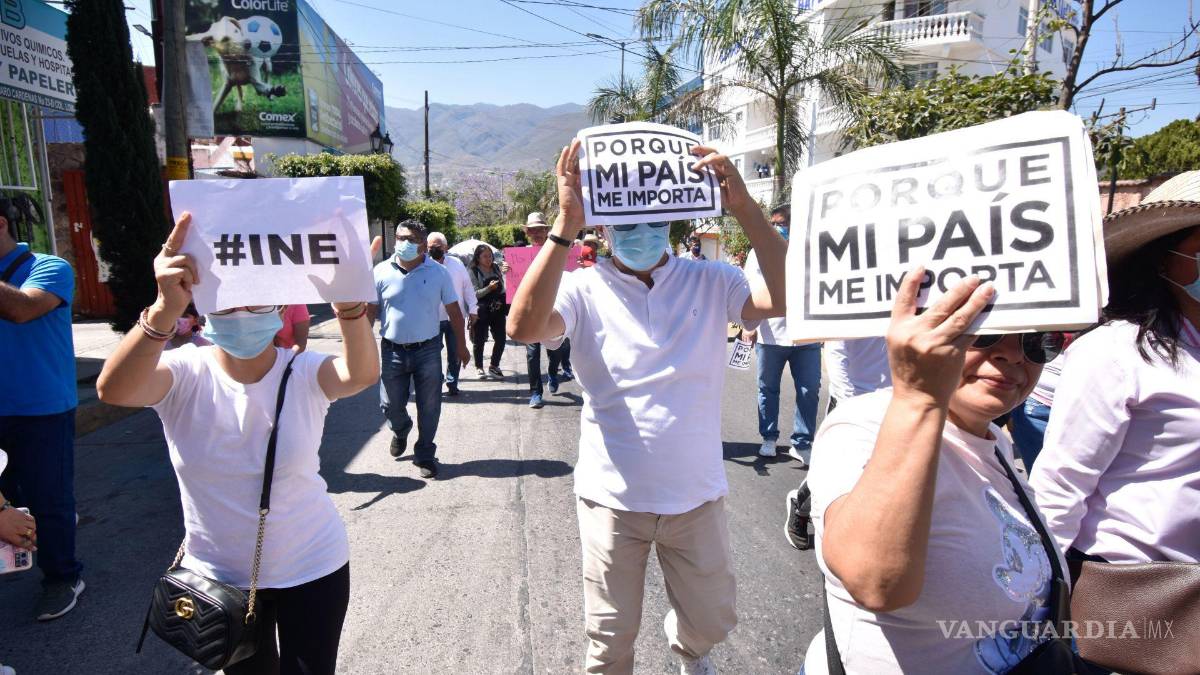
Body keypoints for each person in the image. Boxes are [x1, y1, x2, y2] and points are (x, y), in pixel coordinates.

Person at [508, 139, 788, 675]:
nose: (640, 232)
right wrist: (566, 224)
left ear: (674, 221)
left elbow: (787, 296)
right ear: (606, 229)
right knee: (609, 642)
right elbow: (523, 328)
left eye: (653, 221)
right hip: (612, 500)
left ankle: (688, 651)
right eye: (627, 225)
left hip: (697, 498)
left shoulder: (714, 280)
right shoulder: (581, 287)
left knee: (712, 622)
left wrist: (745, 209)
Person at [96, 212, 381, 674]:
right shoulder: (185, 373)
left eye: (257, 302)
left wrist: (349, 305)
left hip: (313, 567)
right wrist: (164, 307)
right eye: (227, 304)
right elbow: (116, 390)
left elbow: (361, 374)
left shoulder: (303, 371)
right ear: (204, 308)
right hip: (219, 577)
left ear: (281, 309)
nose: (242, 316)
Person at [802, 268, 1071, 674]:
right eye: (983, 329)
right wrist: (919, 399)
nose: (1014, 354)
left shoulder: (997, 441)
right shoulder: (864, 424)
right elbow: (874, 582)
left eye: (1039, 343)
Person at [1031, 172, 1200, 580]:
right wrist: (1038, 593)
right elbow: (1062, 483)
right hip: (1135, 584)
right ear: (1164, 259)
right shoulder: (1114, 353)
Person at [0, 197, 84, 621]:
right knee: (6, 500)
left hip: (40, 408)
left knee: (47, 498)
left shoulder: (49, 268)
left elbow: (22, 309)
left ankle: (62, 577)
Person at [369, 220, 469, 478]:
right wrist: (364, 345)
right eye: (400, 238)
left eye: (410, 239)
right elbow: (369, 312)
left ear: (423, 245)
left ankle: (425, 453)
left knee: (430, 405)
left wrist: (461, 345)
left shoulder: (438, 273)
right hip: (392, 350)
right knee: (390, 404)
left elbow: (454, 311)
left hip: (428, 350)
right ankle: (401, 429)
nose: (402, 243)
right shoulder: (380, 271)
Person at [741, 205, 820, 463]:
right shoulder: (757, 254)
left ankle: (802, 442)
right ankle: (769, 437)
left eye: (782, 223)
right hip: (770, 336)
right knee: (768, 389)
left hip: (807, 336)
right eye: (773, 224)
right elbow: (749, 289)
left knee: (810, 390)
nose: (777, 229)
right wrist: (748, 326)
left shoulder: (813, 251)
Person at [520, 211, 571, 408]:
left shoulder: (559, 251)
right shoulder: (519, 256)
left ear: (546, 230)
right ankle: (535, 393)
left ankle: (552, 372)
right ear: (528, 233)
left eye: (540, 229)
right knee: (532, 354)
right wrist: (508, 270)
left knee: (555, 351)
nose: (536, 233)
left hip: (554, 308)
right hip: (531, 311)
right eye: (532, 230)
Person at [428, 231, 478, 395]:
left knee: (456, 351)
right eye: (431, 247)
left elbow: (468, 288)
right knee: (432, 354)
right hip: (432, 318)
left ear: (445, 247)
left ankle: (452, 382)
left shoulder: (456, 264)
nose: (434, 249)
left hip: (455, 318)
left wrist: (473, 309)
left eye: (437, 246)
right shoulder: (423, 265)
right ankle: (437, 379)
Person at [469, 244, 506, 379]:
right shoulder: (473, 271)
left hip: (498, 308)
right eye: (485, 256)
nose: (488, 259)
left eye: (490, 256)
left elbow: (502, 287)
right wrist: (489, 289)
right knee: (479, 339)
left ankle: (494, 365)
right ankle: (479, 367)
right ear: (478, 258)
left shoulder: (496, 267)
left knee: (501, 338)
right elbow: (474, 294)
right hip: (482, 310)